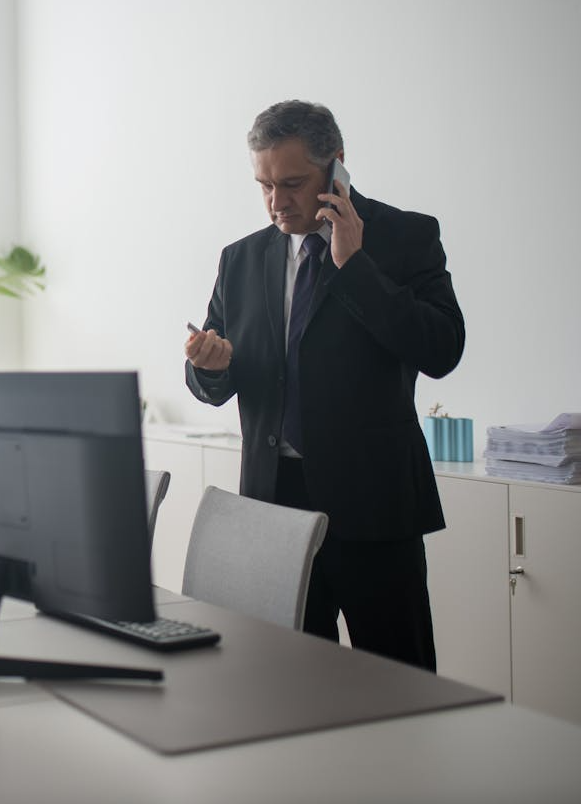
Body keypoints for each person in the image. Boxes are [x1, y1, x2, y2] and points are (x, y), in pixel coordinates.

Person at [184, 100, 464, 671]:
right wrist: (208, 366)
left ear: (336, 166)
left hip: (375, 510)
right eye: (263, 185)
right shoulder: (240, 259)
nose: (276, 202)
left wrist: (355, 265)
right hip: (274, 507)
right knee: (287, 687)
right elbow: (221, 379)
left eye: (291, 183)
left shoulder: (404, 237)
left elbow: (442, 351)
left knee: (400, 688)